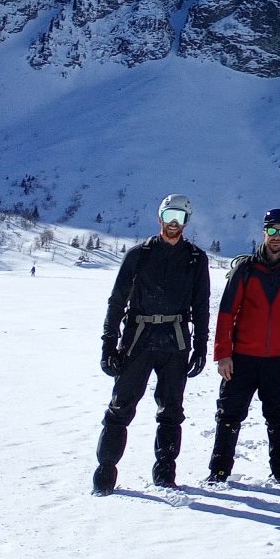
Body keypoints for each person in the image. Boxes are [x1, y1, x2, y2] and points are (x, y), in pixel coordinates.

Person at [92, 194, 210, 494]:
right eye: (169, 215)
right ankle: (105, 474)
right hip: (139, 339)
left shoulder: (196, 259)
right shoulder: (138, 254)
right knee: (120, 407)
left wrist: (200, 345)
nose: (174, 223)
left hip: (176, 340)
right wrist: (109, 344)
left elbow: (202, 304)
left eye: (180, 217)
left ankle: (165, 473)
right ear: (159, 217)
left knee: (172, 411)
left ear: (187, 222)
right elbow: (117, 301)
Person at [206, 208, 280, 483]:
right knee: (229, 414)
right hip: (242, 357)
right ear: (264, 232)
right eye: (272, 231)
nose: (276, 236)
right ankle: (219, 471)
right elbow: (227, 312)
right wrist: (223, 353)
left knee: (278, 416)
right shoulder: (247, 268)